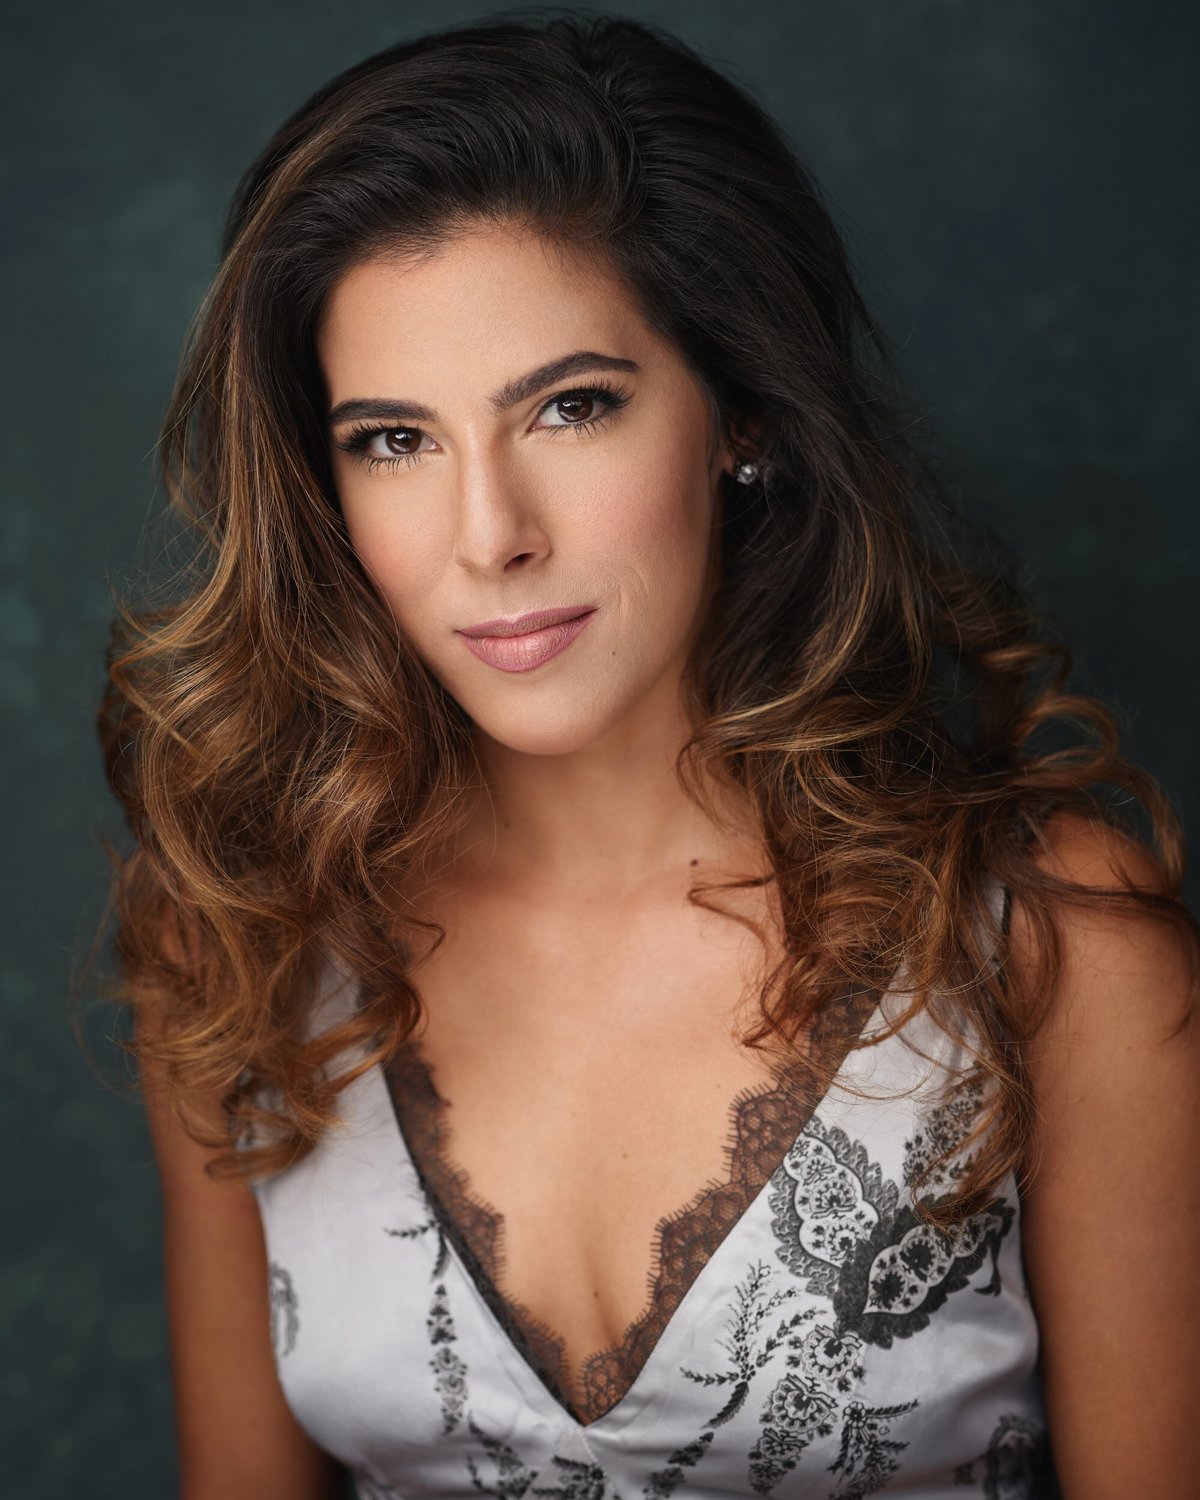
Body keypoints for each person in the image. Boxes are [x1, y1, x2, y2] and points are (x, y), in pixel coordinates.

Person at [96, 11, 1199, 1499]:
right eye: (394, 440)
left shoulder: (1047, 944)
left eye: (571, 408)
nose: (490, 536)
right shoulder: (240, 930)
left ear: (740, 414)